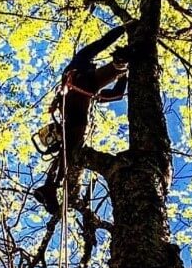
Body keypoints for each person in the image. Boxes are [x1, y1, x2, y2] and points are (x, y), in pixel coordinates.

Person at [33, 24, 130, 215]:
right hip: (80, 91)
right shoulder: (79, 65)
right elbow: (102, 45)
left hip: (77, 97)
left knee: (69, 146)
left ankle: (50, 186)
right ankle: (120, 63)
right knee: (70, 144)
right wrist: (124, 29)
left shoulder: (76, 72)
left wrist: (123, 30)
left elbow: (102, 45)